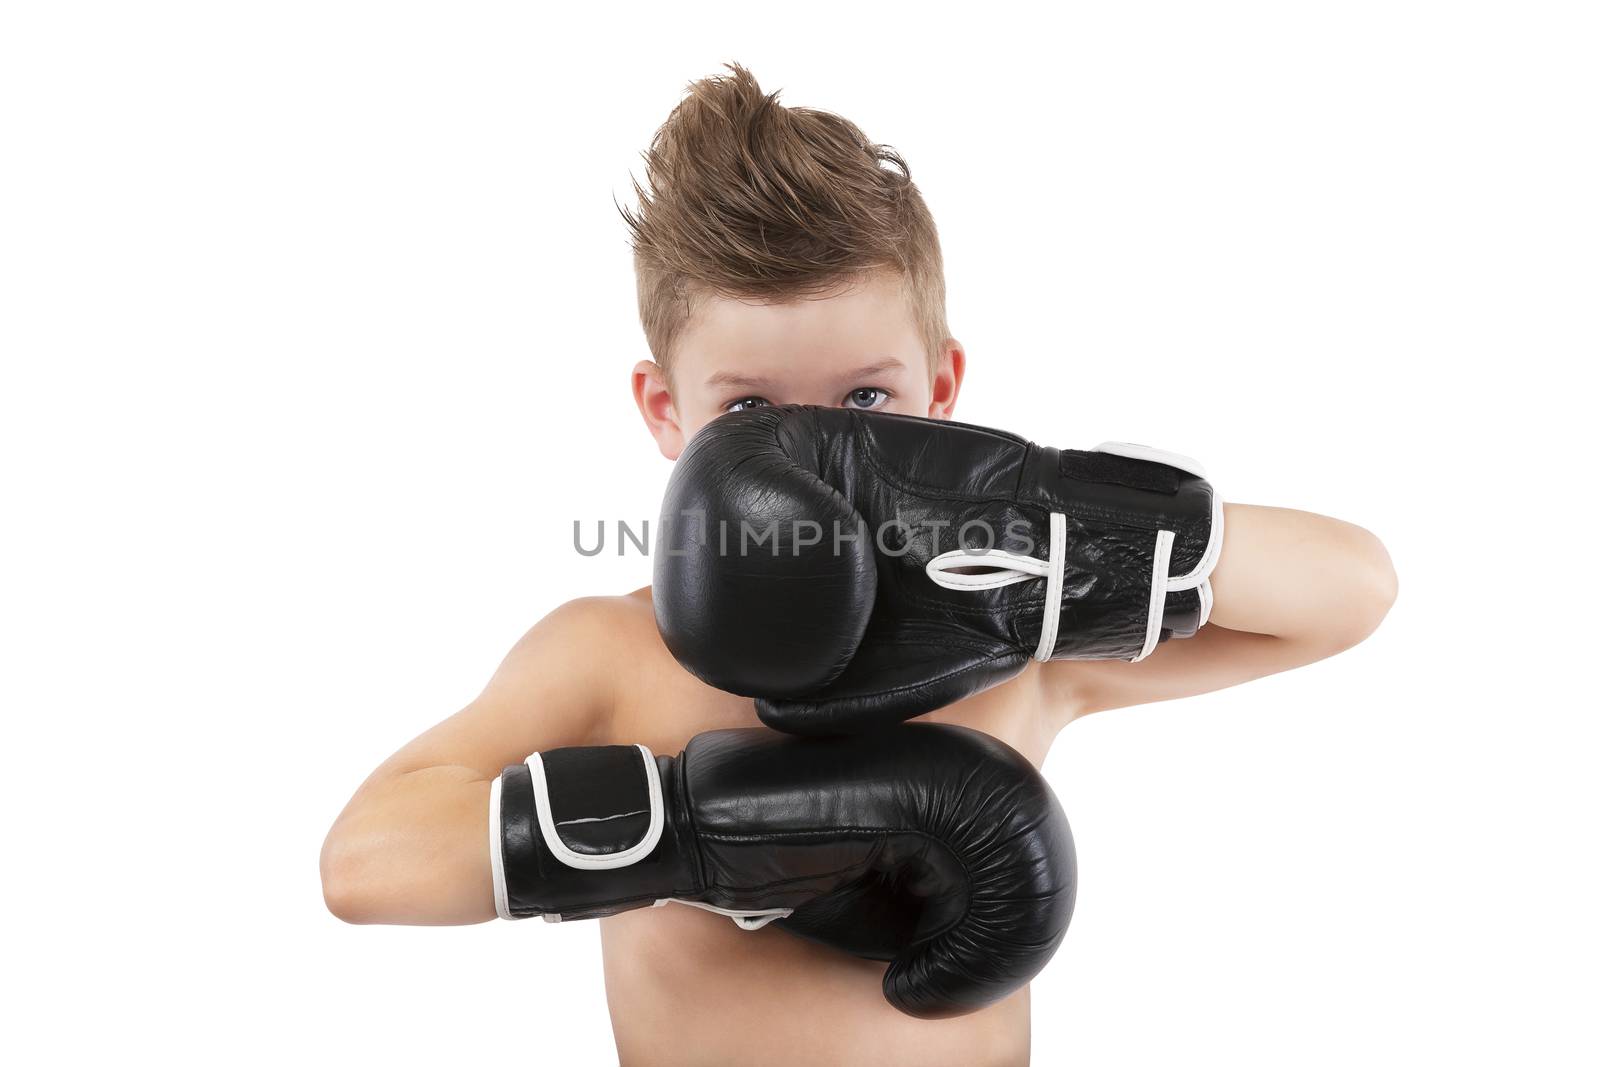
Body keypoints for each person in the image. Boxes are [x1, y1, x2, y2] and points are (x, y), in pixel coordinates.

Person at [320, 65, 1397, 1066]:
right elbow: (366, 861)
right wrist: (699, 834)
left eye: (868, 405)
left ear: (944, 388)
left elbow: (1346, 590)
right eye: (751, 413)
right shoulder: (614, 652)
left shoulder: (1009, 642)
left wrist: (1034, 518)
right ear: (663, 410)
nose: (813, 465)